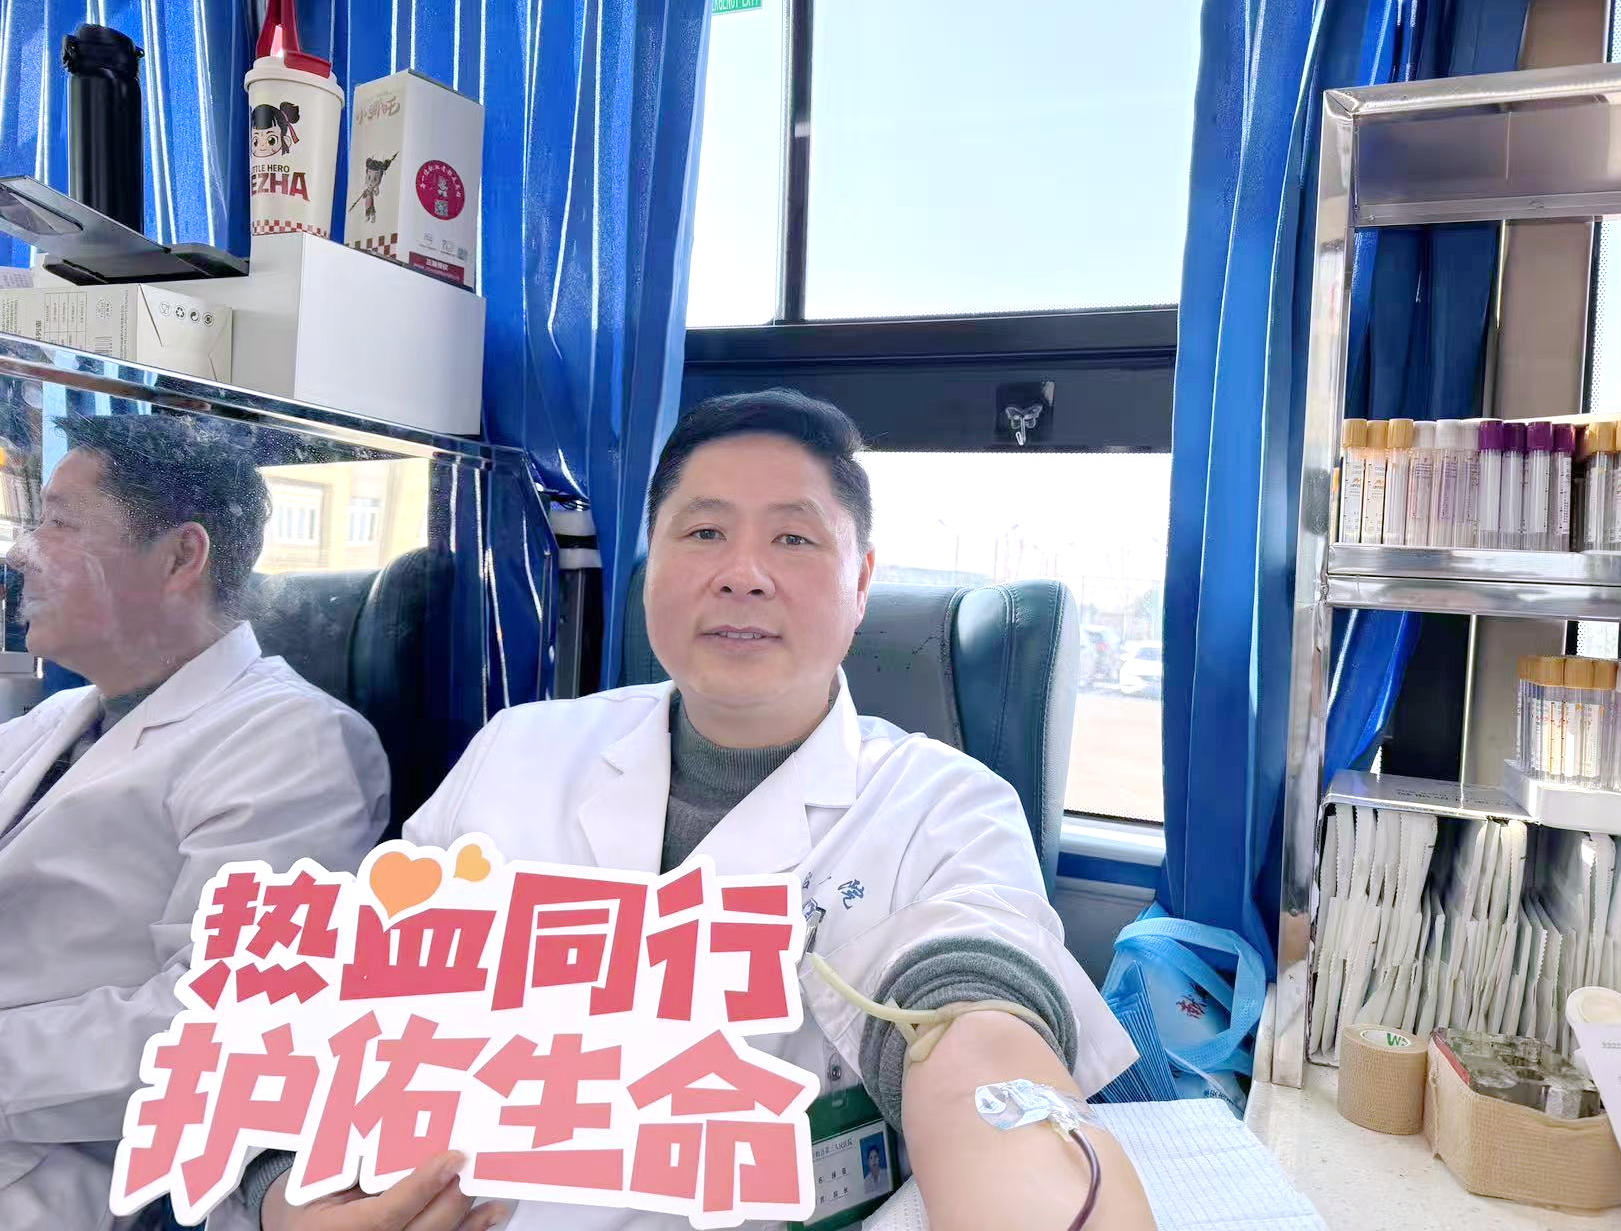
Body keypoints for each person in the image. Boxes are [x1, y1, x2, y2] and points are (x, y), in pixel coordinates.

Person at [249, 390, 1154, 1231]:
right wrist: (284, 1195)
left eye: (794, 539)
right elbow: (339, 1004)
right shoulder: (517, 752)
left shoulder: (942, 805)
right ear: (651, 569)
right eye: (704, 531)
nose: (742, 574)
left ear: (861, 582)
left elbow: (974, 1032)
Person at [0, 414, 390, 1230]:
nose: (20, 555)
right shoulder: (53, 721)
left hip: (53, 1164)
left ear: (181, 557)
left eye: (61, 524)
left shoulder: (293, 744)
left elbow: (222, 1023)